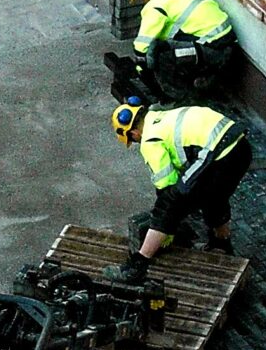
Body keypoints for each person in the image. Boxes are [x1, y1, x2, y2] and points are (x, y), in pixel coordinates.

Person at [105, 96, 252, 284]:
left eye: (132, 139)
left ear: (133, 132)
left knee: (168, 204)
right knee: (213, 196)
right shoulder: (163, 117)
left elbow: (167, 185)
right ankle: (222, 244)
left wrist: (166, 226)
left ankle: (137, 266)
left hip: (217, 155)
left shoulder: (150, 139)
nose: (135, 142)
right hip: (240, 149)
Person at [126, 0, 237, 102]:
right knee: (166, 47)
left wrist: (142, 71)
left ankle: (181, 102)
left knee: (160, 56)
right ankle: (201, 81)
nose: (143, 2)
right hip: (225, 43)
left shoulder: (155, 5)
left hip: (214, 51)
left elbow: (141, 48)